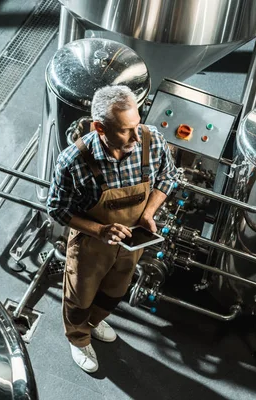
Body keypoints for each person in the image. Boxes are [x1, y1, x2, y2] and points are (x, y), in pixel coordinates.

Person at [47, 85, 177, 373]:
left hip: (132, 241)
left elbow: (169, 176)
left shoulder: (150, 140)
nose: (135, 135)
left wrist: (148, 212)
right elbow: (57, 209)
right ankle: (78, 338)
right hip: (92, 245)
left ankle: (93, 323)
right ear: (99, 127)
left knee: (116, 290)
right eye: (124, 130)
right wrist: (100, 230)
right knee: (80, 297)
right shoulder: (73, 162)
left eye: (137, 124)